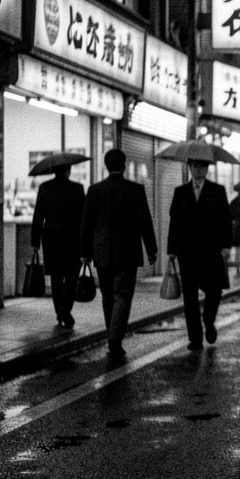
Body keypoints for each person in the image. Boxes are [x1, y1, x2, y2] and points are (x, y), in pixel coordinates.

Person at [80, 149, 158, 358]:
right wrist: (152, 249)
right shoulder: (135, 190)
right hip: (127, 252)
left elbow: (86, 224)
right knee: (123, 295)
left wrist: (85, 252)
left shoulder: (94, 190)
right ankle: (115, 339)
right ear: (123, 166)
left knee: (108, 296)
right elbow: (145, 222)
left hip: (102, 251)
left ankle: (112, 336)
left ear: (106, 166)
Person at [168, 158, 232, 351]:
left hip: (211, 250)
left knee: (214, 290)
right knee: (189, 296)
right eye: (195, 166)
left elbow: (226, 220)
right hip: (186, 252)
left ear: (207, 169)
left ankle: (209, 320)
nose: (199, 170)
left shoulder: (217, 190)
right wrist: (171, 250)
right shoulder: (181, 192)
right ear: (189, 168)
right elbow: (174, 222)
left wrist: (226, 245)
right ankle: (195, 338)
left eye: (203, 166)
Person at [31, 164, 85, 328]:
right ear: (69, 171)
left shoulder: (44, 188)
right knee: (71, 276)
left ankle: (60, 311)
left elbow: (38, 216)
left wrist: (35, 242)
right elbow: (84, 216)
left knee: (55, 277)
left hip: (51, 238)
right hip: (72, 238)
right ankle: (64, 310)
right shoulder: (77, 188)